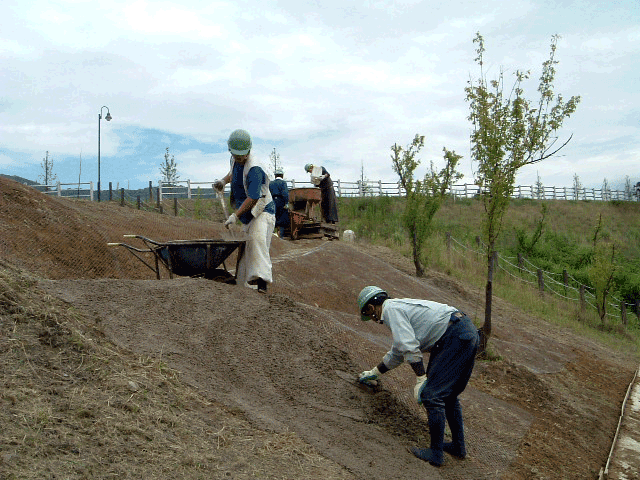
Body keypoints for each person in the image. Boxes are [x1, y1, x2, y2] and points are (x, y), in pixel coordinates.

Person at [356, 286, 479, 468]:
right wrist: (375, 372)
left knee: (431, 395)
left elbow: (408, 347)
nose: (373, 319)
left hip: (453, 336)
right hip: (463, 332)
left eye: (369, 314)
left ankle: (436, 453)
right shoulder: (397, 306)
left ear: (371, 307)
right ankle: (457, 446)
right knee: (448, 395)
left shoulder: (390, 311)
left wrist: (421, 378)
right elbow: (399, 351)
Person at [214, 129, 275, 294]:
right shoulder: (235, 159)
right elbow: (233, 173)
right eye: (236, 155)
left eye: (242, 155)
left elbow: (254, 197)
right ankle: (242, 287)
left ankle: (261, 282)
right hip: (248, 214)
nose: (239, 158)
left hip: (263, 211)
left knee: (256, 240)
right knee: (245, 252)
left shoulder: (255, 168)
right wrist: (223, 181)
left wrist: (235, 216)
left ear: (249, 150)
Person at [269, 167, 289, 238]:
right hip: (281, 201)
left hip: (272, 201)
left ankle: (272, 235)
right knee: (282, 219)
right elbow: (285, 193)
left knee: (272, 218)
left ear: (275, 175)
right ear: (282, 175)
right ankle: (280, 236)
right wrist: (286, 203)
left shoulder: (271, 183)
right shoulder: (283, 183)